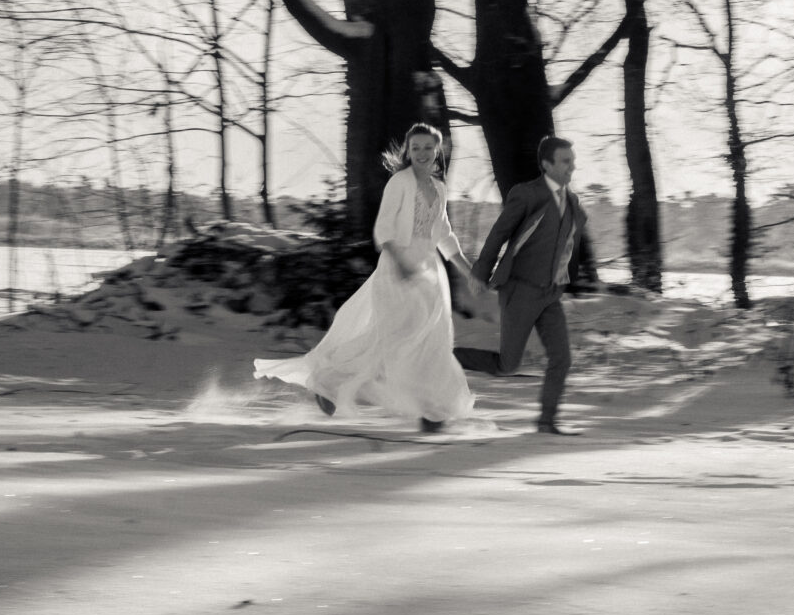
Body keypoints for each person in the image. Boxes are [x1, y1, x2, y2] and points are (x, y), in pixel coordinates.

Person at [253, 122, 478, 433]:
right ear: (408, 151)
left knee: (432, 343)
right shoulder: (399, 183)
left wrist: (469, 271)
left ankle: (432, 410)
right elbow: (383, 230)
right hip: (397, 272)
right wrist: (401, 264)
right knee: (398, 342)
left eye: (428, 148)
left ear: (437, 150)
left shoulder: (439, 188)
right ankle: (334, 382)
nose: (422, 153)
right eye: (416, 148)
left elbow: (444, 235)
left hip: (429, 274)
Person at [476, 134, 592, 435]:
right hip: (521, 289)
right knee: (507, 364)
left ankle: (547, 421)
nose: (572, 168)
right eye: (566, 162)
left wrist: (571, 279)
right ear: (546, 164)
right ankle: (450, 356)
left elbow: (569, 245)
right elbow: (499, 234)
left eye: (573, 162)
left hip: (550, 294)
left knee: (562, 359)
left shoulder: (573, 202)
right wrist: (481, 273)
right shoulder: (526, 194)